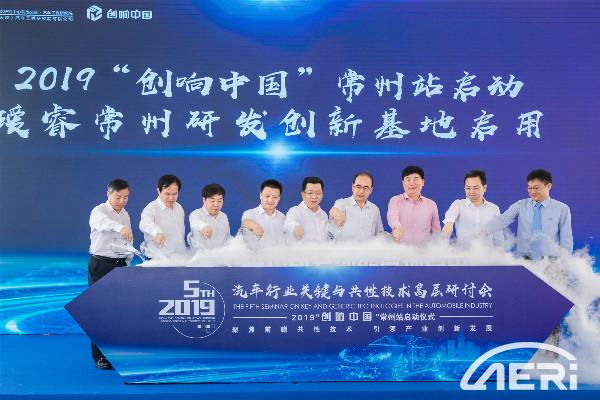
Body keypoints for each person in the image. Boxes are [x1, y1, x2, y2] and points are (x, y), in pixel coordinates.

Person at [88, 178, 133, 370]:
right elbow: (104, 224)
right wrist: (119, 227)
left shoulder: (125, 215)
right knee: (100, 312)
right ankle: (100, 357)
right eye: (118, 197)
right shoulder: (99, 211)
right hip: (101, 264)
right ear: (108, 194)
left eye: (126, 197)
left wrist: (128, 261)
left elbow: (127, 242)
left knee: (119, 311)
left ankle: (116, 351)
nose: (122, 201)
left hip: (120, 265)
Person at [485, 169, 572, 259]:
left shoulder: (562, 209)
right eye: (529, 188)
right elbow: (503, 219)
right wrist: (485, 230)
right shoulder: (520, 205)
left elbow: (566, 240)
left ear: (548, 186)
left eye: (536, 188)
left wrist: (565, 261)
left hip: (550, 260)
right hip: (524, 259)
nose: (532, 192)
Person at [442, 170, 504, 247]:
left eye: (475, 188)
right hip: (463, 253)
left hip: (487, 253)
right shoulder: (458, 205)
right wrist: (445, 233)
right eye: (468, 188)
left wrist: (501, 252)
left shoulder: (494, 209)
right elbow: (449, 222)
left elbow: (498, 237)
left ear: (484, 188)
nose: (471, 192)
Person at [386, 166, 441, 245]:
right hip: (400, 249)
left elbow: (436, 232)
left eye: (415, 179)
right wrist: (397, 227)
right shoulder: (395, 200)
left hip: (425, 250)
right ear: (403, 183)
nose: (412, 183)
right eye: (408, 180)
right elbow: (393, 218)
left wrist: (439, 245)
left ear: (423, 182)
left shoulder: (431, 204)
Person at [329, 171, 384, 241]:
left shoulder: (374, 209)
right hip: (345, 247)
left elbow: (380, 233)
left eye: (366, 188)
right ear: (353, 187)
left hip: (368, 248)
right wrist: (337, 214)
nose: (361, 191)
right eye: (358, 186)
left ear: (371, 190)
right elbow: (333, 210)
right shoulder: (342, 203)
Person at [139, 175, 186, 257]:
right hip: (158, 257)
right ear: (159, 191)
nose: (171, 198)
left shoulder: (179, 207)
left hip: (179, 256)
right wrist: (157, 232)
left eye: (174, 194)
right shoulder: (151, 208)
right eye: (167, 194)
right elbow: (144, 223)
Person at [241, 179, 286, 250]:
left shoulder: (282, 217)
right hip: (254, 255)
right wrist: (255, 226)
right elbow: (246, 221)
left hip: (277, 255)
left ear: (279, 198)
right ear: (260, 195)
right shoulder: (250, 213)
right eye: (267, 196)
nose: (270, 200)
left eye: (275, 197)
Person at [284, 177, 328, 243]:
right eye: (310, 193)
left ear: (322, 195)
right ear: (303, 194)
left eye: (318, 193)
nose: (314, 197)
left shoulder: (323, 215)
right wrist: (296, 227)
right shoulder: (295, 211)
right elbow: (288, 223)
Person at [188, 183, 231, 250]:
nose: (216, 204)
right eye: (212, 201)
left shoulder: (224, 217)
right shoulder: (196, 214)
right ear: (204, 200)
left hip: (221, 255)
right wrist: (203, 226)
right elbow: (195, 222)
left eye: (219, 201)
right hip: (201, 255)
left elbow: (227, 238)